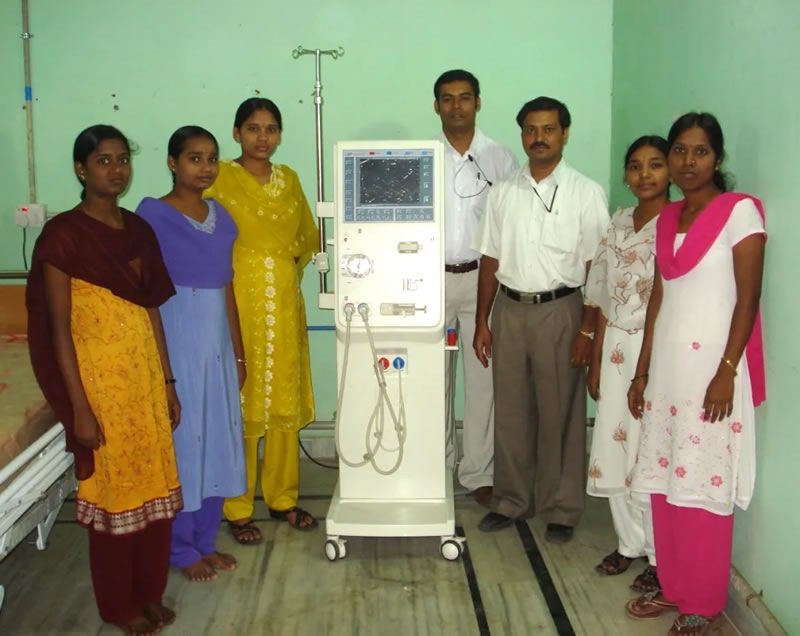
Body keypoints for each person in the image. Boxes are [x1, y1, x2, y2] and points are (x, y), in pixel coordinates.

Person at [26, 125, 182, 635]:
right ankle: (118, 606)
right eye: (103, 161)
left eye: (121, 160)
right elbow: (58, 330)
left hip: (144, 383)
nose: (115, 170)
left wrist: (167, 382)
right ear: (81, 169)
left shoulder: (138, 230)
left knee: (153, 489)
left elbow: (151, 309)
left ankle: (149, 593)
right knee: (116, 498)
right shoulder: (62, 236)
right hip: (100, 389)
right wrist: (79, 408)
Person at [624, 113, 766, 635]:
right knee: (667, 481)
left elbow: (748, 299)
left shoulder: (740, 213)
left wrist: (726, 371)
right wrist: (641, 373)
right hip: (668, 373)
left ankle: (702, 602)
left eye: (700, 151)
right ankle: (674, 584)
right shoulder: (667, 218)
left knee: (704, 484)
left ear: (717, 158)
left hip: (712, 373)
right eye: (680, 151)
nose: (688, 161)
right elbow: (659, 300)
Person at [472, 97, 608, 543]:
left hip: (561, 310)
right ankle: (511, 500)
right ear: (522, 135)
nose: (539, 138)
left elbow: (597, 268)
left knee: (561, 413)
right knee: (510, 412)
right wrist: (483, 321)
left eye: (549, 129)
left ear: (564, 134)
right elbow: (490, 259)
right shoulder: (503, 191)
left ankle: (561, 508)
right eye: (531, 129)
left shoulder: (586, 192)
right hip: (509, 310)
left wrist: (588, 329)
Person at [137, 126, 247, 581]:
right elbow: (144, 295)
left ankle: (205, 541)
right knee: (185, 444)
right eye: (194, 158)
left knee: (218, 441)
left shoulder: (222, 218)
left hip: (217, 347)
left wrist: (239, 355)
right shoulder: (151, 217)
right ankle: (180, 548)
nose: (205, 167)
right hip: (178, 341)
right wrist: (162, 370)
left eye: (212, 158)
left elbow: (226, 289)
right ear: (172, 162)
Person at [205, 98, 319, 538]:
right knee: (243, 398)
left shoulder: (289, 180)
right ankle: (237, 505)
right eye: (253, 128)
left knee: (281, 399)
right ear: (237, 133)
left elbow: (304, 239)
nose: (263, 137)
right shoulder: (220, 179)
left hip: (284, 306)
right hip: (237, 303)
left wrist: (280, 275)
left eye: (271, 129)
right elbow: (203, 237)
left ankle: (282, 498)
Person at [584, 136, 670, 590]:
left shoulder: (677, 225)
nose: (645, 174)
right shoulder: (617, 223)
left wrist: (649, 365)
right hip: (615, 346)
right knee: (613, 443)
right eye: (636, 166)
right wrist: (596, 360)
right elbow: (600, 297)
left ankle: (659, 554)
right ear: (626, 174)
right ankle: (628, 543)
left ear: (669, 172)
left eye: (655, 164)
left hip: (656, 349)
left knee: (648, 446)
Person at [432, 69, 517, 507]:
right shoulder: (424, 157)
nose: (457, 106)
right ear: (437, 106)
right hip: (429, 279)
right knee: (432, 378)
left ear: (478, 103)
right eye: (447, 99)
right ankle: (437, 466)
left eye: (465, 97)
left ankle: (480, 472)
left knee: (483, 377)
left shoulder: (500, 159)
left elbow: (511, 228)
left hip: (484, 280)